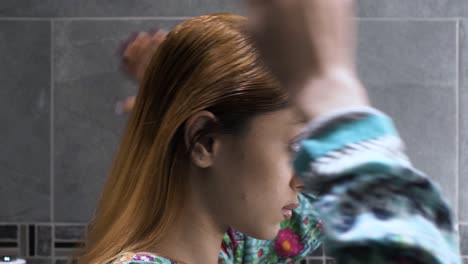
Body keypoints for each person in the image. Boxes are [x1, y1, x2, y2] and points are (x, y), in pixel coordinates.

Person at [78, 1, 461, 263]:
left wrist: (166, 96)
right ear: (205, 142)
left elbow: (352, 217)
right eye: (295, 144)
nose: (303, 177)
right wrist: (332, 95)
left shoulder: (235, 247)